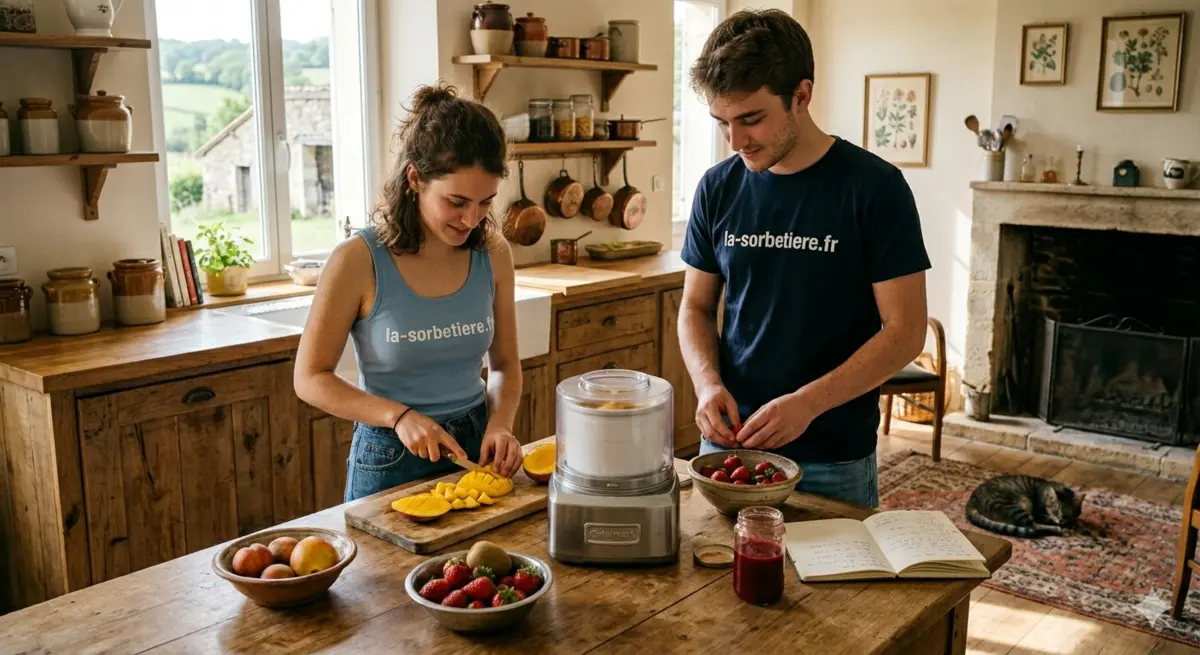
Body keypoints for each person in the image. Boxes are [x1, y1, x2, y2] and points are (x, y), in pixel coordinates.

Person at [678, 9, 931, 508]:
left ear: (801, 95)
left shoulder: (875, 189)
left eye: (751, 119)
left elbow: (905, 332)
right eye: (722, 122)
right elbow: (695, 307)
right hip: (729, 451)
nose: (736, 141)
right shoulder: (717, 187)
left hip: (831, 460)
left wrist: (807, 404)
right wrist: (707, 384)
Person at [294, 83, 524, 503]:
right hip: (389, 453)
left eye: (485, 202)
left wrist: (500, 424)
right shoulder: (357, 260)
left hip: (475, 446)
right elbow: (309, 379)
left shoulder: (494, 254)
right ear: (415, 179)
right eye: (456, 201)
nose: (471, 219)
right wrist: (397, 416)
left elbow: (506, 364)